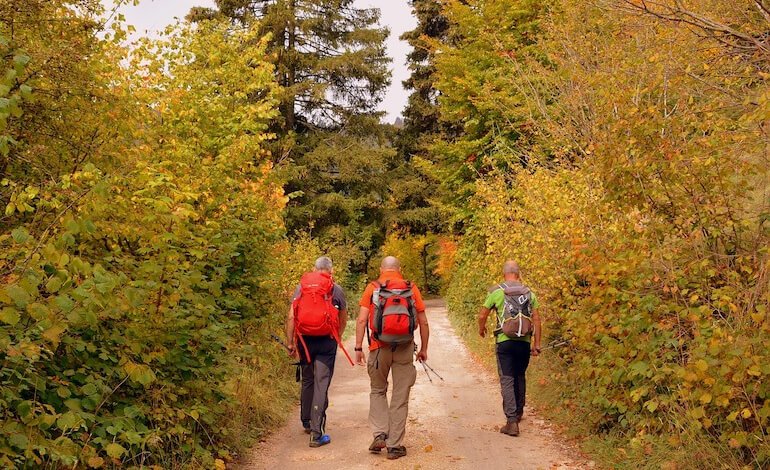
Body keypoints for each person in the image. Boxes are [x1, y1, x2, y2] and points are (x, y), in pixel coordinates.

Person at [354, 256, 429, 460]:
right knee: (400, 395)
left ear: (381, 269)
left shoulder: (373, 288)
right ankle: (394, 446)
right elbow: (423, 322)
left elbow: (361, 320)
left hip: (379, 347)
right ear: (399, 268)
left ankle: (380, 433)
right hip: (404, 347)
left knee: (378, 390)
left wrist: (358, 347)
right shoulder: (411, 288)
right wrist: (424, 349)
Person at [286, 256, 347, 447]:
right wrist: (338, 335)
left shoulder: (302, 287)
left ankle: (306, 420)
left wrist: (290, 342)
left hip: (305, 340)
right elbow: (343, 317)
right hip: (327, 341)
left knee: (308, 379)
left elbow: (291, 317)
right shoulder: (336, 289)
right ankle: (316, 432)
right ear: (331, 270)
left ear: (314, 269)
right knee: (321, 383)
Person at [477, 260, 542, 437]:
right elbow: (537, 319)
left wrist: (481, 329)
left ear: (504, 274)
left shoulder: (497, 292)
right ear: (518, 274)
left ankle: (511, 422)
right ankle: (518, 412)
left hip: (504, 341)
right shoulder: (529, 293)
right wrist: (536, 344)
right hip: (524, 341)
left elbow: (482, 315)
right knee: (519, 375)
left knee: (507, 378)